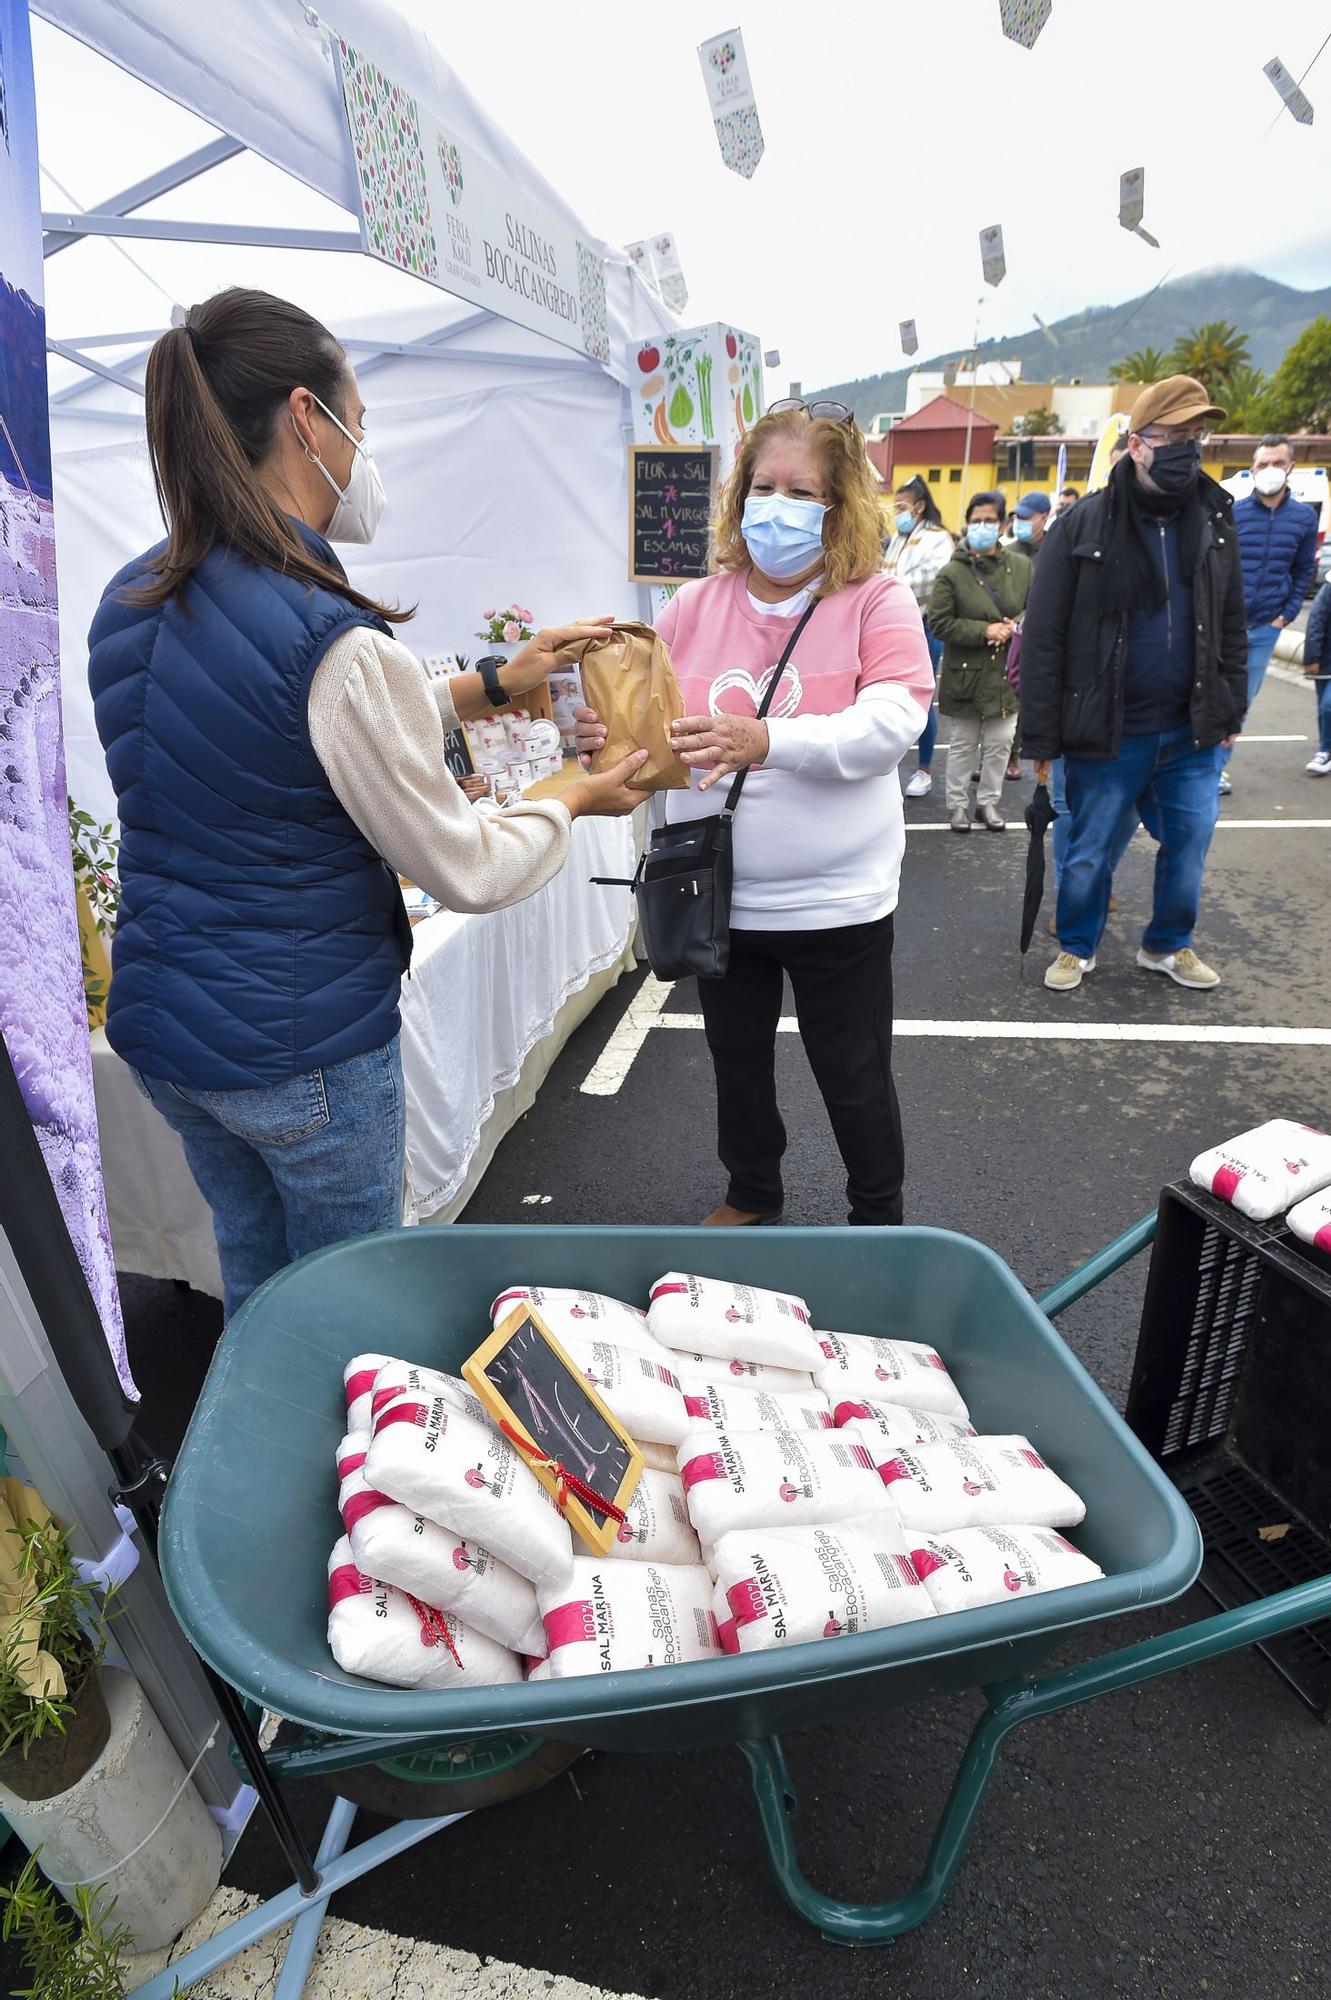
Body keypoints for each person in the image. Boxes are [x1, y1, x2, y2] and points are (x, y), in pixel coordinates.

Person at [86, 287, 648, 1318]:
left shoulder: (128, 603)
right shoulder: (327, 632)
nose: (362, 453)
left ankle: (258, 1450)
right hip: (300, 1045)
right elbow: (467, 865)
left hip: (168, 1028)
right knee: (355, 1302)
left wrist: (492, 680)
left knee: (255, 1279)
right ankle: (339, 1466)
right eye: (359, 422)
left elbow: (278, 735)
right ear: (308, 417)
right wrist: (571, 791)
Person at [576, 399, 933, 1229]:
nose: (778, 506)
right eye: (763, 486)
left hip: (837, 901)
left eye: (802, 491)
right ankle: (752, 1191)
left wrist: (765, 739)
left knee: (852, 1070)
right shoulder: (692, 606)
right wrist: (600, 733)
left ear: (841, 504)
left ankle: (878, 1214)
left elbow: (890, 725)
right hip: (718, 891)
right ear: (739, 499)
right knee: (735, 1061)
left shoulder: (876, 602)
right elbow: (644, 721)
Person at [1021, 376, 1246, 994]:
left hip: (1189, 732)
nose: (1186, 450)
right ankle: (1076, 946)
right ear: (1136, 444)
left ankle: (1167, 945)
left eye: (1195, 437)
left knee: (1188, 848)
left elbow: (1230, 622)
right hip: (1107, 732)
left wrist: (1230, 711)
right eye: (1172, 437)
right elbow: (1044, 637)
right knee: (1089, 852)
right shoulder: (1081, 526)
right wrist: (1040, 736)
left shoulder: (1214, 520)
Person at [1047, 436, 1138, 925]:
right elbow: (1048, 627)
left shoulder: (1173, 535)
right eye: (1125, 465)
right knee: (1068, 808)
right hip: (1079, 702)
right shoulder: (1076, 528)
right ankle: (1071, 896)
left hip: (1143, 710)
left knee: (1127, 814)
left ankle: (1097, 880)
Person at [927, 490, 1029, 831]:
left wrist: (1012, 627)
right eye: (975, 521)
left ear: (1002, 524)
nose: (982, 527)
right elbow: (939, 622)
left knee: (1001, 743)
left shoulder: (1021, 567)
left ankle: (988, 802)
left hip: (1006, 673)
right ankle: (957, 805)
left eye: (988, 521)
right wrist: (984, 630)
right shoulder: (951, 573)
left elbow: (1035, 607)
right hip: (967, 673)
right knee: (963, 744)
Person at [1223, 435, 1318, 793]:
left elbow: (1302, 573)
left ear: (1291, 466)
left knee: (1240, 702)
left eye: (1278, 463)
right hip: (1226, 625)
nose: (1270, 470)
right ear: (1252, 469)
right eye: (1263, 464)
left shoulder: (1304, 519)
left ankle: (1218, 768)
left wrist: (1285, 616)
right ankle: (1203, 764)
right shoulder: (1234, 512)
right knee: (1210, 693)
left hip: (1265, 627)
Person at [882, 476, 954, 797]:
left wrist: (888, 589)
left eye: (903, 506)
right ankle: (889, 764)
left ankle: (924, 769)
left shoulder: (937, 539)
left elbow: (928, 581)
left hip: (924, 627)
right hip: (891, 627)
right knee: (888, 697)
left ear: (920, 507)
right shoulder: (898, 539)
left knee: (921, 700)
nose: (898, 513)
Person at [1302, 576, 1331, 776]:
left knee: (1328, 705)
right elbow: (1316, 621)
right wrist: (1312, 656)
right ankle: (1325, 749)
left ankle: (1325, 751)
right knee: (1325, 707)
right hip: (1328, 659)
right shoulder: (1328, 590)